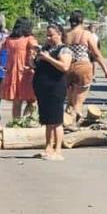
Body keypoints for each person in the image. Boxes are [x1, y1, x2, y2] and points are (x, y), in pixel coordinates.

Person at [31, 23, 73, 161]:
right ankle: (48, 147)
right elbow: (35, 65)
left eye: (51, 35)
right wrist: (33, 58)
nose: (48, 38)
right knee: (47, 120)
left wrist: (48, 58)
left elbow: (65, 67)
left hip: (55, 88)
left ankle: (58, 150)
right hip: (43, 89)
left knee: (56, 120)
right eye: (47, 35)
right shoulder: (47, 48)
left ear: (59, 34)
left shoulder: (64, 50)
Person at [64, 10, 107, 117]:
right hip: (83, 66)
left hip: (68, 68)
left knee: (70, 101)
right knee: (79, 102)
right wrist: (105, 69)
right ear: (82, 21)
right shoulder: (86, 34)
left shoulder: (66, 35)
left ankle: (66, 121)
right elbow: (96, 54)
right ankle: (74, 122)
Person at [0, 17, 37, 121]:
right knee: (32, 99)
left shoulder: (9, 39)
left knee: (17, 101)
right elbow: (36, 49)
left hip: (12, 72)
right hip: (26, 71)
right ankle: (26, 120)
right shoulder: (29, 39)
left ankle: (16, 122)